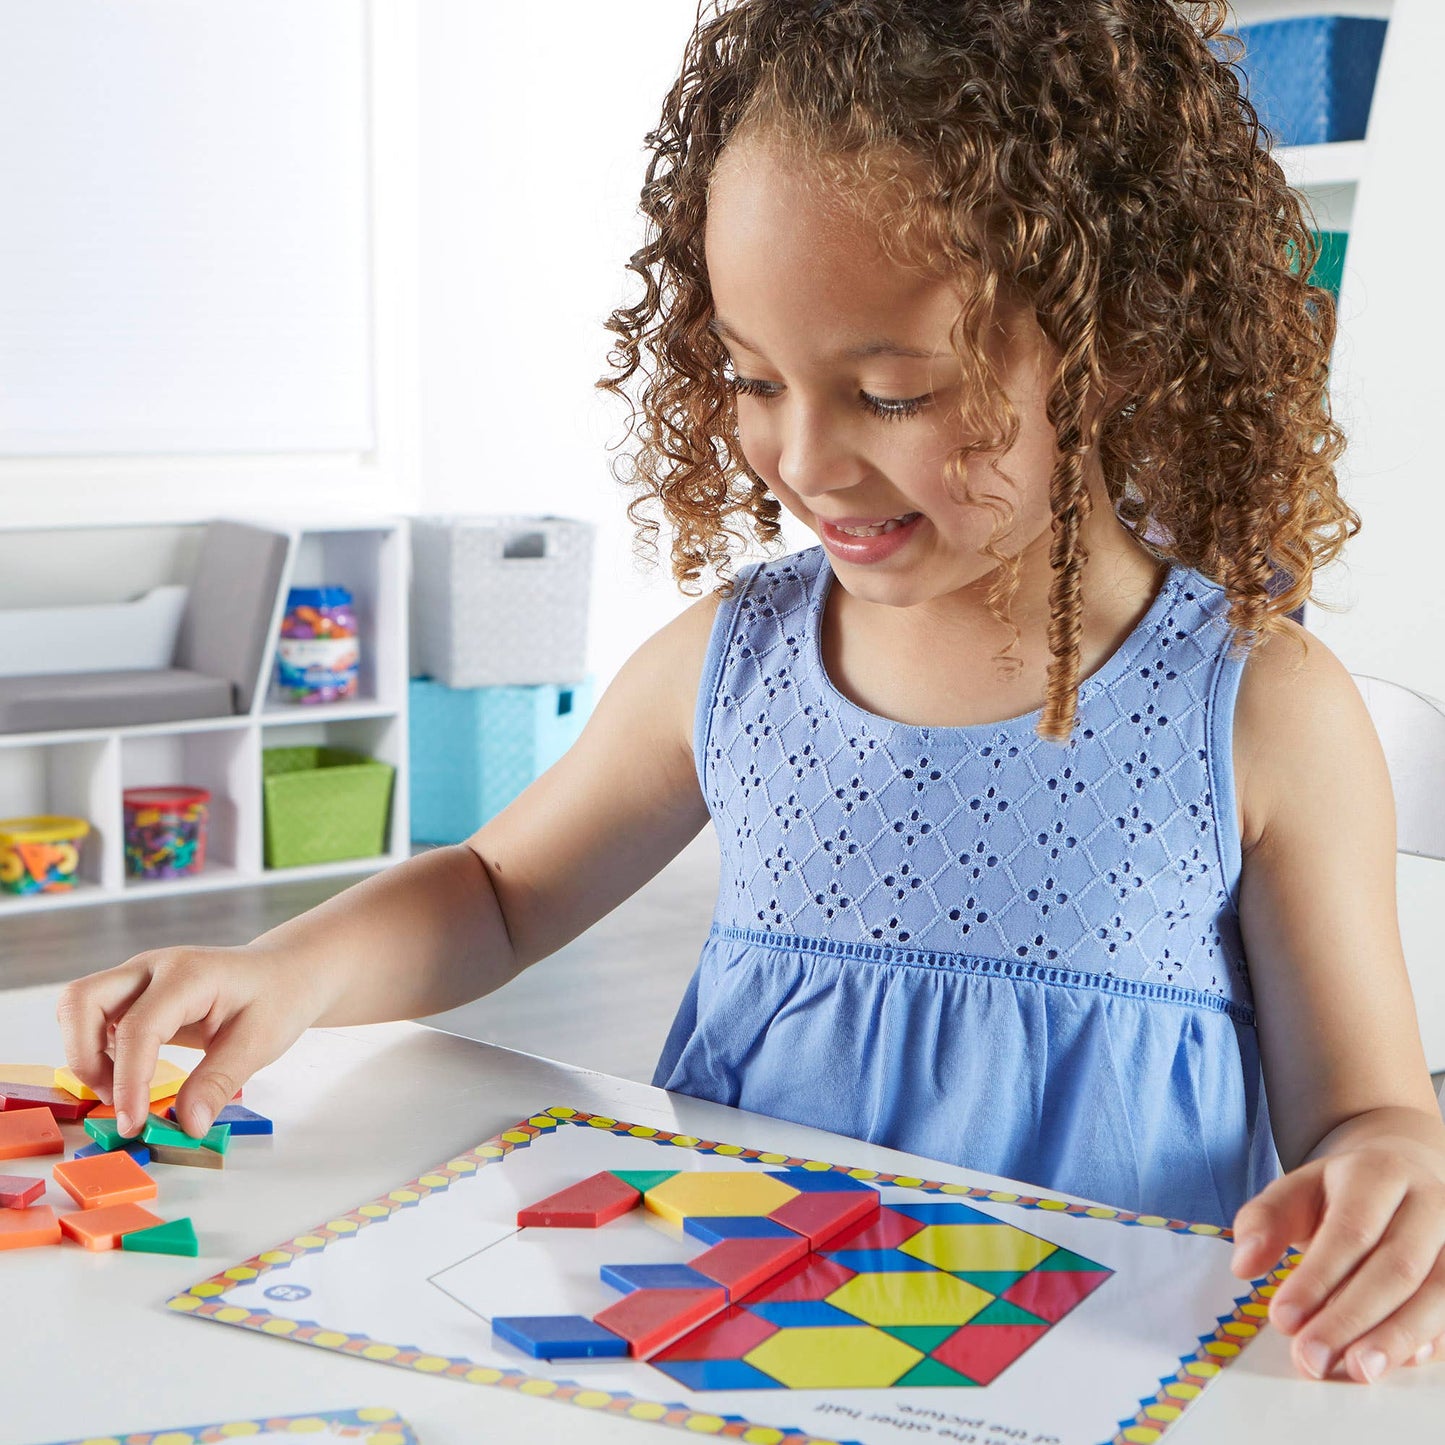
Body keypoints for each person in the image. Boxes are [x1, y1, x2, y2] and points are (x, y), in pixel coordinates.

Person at [58, 0, 1444, 1388]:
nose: (803, 455)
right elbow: (495, 887)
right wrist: (284, 969)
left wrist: (1390, 1165)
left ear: (1117, 344)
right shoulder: (735, 659)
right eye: (750, 375)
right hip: (734, 1366)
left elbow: (1368, 1109)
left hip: (1089, 1380)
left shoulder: (1259, 709)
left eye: (890, 394)